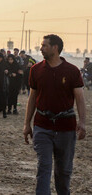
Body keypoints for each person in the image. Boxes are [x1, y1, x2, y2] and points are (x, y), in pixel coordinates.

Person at [23, 34, 86, 195]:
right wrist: (26, 124)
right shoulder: (36, 70)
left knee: (63, 171)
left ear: (55, 48)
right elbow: (32, 98)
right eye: (41, 45)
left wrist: (83, 122)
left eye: (44, 45)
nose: (41, 48)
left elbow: (80, 98)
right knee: (43, 167)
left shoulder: (72, 71)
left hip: (66, 127)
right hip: (42, 125)